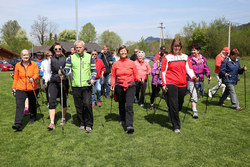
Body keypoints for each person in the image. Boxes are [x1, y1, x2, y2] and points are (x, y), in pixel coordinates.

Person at [161, 38, 198, 134]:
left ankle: (172, 114)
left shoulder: (185, 57)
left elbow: (189, 69)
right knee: (174, 104)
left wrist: (193, 77)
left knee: (179, 103)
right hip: (171, 82)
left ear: (181, 47)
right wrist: (164, 84)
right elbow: (163, 72)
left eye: (178, 46)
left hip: (182, 83)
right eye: (175, 46)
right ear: (172, 47)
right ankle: (176, 125)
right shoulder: (167, 58)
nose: (177, 48)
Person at [64, 40, 97, 133]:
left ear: (83, 48)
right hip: (75, 85)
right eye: (76, 47)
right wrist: (63, 72)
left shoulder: (90, 57)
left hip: (87, 85)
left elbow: (94, 70)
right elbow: (67, 69)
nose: (78, 49)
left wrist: (93, 78)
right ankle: (82, 123)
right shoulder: (71, 57)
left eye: (80, 47)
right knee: (78, 106)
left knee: (87, 104)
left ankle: (89, 124)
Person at [111, 45, 140, 134]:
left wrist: (140, 79)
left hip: (130, 85)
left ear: (127, 52)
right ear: (119, 53)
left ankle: (129, 125)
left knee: (129, 105)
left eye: (125, 51)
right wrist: (112, 85)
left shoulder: (131, 63)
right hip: (119, 85)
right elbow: (112, 75)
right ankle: (122, 118)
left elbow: (136, 74)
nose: (123, 52)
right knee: (121, 104)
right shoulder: (115, 63)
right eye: (121, 51)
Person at [12, 49, 39, 131]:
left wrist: (33, 78)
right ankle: (18, 124)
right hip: (20, 88)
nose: (26, 56)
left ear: (29, 56)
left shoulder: (34, 64)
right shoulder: (17, 65)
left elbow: (36, 74)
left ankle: (33, 117)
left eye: (27, 55)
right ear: (21, 56)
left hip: (32, 87)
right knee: (19, 105)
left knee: (32, 104)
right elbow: (16, 78)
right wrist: (14, 88)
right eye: (24, 55)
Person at [47, 42, 69, 130]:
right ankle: (52, 122)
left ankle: (63, 118)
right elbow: (48, 72)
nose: (58, 50)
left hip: (63, 81)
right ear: (53, 50)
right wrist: (47, 82)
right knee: (52, 101)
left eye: (59, 49)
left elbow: (69, 71)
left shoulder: (66, 59)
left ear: (62, 49)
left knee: (63, 100)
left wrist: (64, 74)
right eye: (56, 49)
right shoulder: (50, 59)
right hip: (53, 82)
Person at [187, 44, 211, 119]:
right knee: (194, 95)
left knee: (198, 95)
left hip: (200, 79)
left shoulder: (203, 59)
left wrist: (208, 75)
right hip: (191, 79)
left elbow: (206, 68)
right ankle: (195, 112)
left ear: (198, 51)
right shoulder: (189, 59)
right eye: (192, 50)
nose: (193, 51)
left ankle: (191, 102)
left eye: (194, 50)